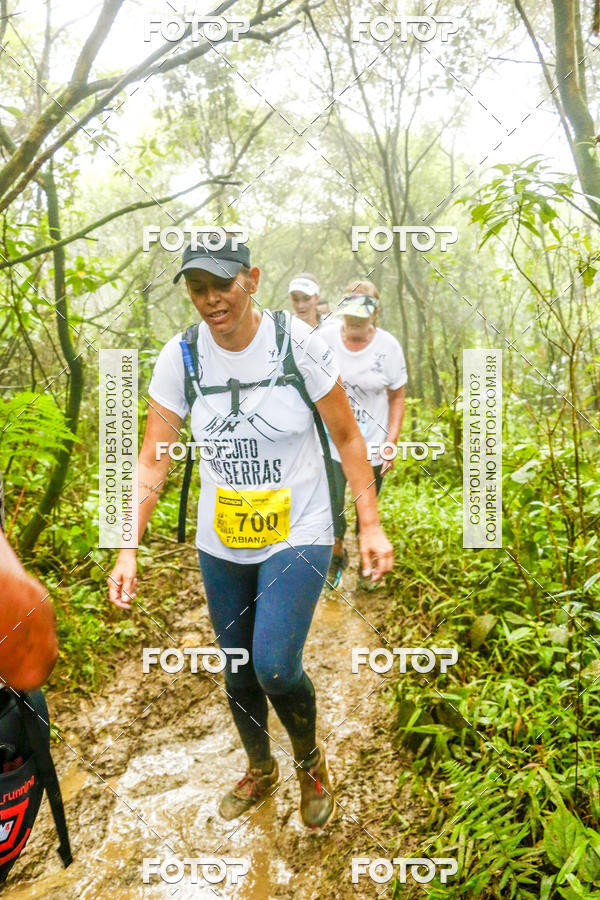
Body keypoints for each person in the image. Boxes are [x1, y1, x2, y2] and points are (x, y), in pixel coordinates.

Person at [108, 238, 393, 830]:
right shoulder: (181, 356)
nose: (211, 300)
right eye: (197, 288)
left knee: (275, 666)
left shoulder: (300, 343)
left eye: (222, 285)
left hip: (301, 525)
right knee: (236, 663)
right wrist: (127, 545)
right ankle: (261, 768)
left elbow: (346, 437)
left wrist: (369, 523)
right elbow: (153, 459)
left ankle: (310, 761)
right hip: (223, 534)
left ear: (252, 279)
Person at [320, 280, 406, 590]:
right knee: (330, 503)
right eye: (351, 308)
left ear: (375, 311)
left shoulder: (388, 346)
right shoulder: (325, 338)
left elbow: (397, 396)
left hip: (371, 445)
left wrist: (390, 443)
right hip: (329, 443)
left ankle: (368, 564)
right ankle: (335, 556)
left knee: (365, 506)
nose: (356, 318)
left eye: (364, 308)